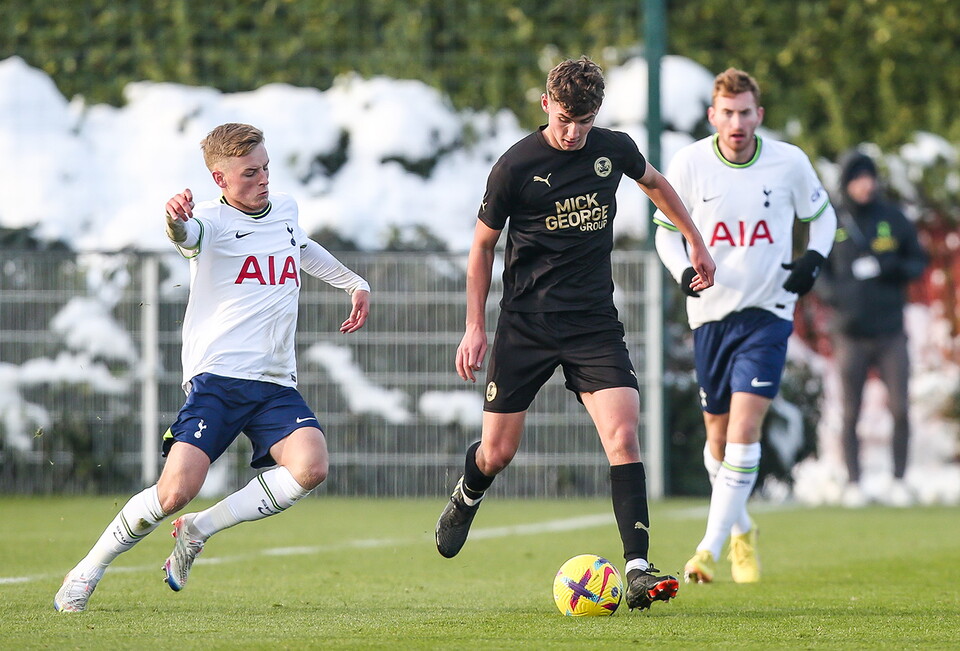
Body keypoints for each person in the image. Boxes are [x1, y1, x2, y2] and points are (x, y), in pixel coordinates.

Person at [433, 56, 716, 611]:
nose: (572, 133)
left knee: (624, 436)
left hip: (592, 323)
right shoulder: (515, 166)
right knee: (497, 452)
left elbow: (655, 185)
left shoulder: (613, 149)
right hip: (526, 325)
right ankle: (467, 495)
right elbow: (482, 248)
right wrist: (474, 327)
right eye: (564, 119)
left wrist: (695, 241)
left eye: (583, 122)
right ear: (546, 105)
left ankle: (637, 568)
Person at [54, 123, 371, 612]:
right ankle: (85, 571)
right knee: (175, 491)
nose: (263, 178)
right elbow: (185, 236)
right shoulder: (209, 221)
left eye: (266, 167)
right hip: (219, 380)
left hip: (274, 383)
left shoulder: (284, 210)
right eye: (250, 172)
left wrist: (353, 283)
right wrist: (173, 219)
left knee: (311, 467)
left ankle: (200, 530)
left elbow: (300, 246)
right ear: (220, 179)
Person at [654, 68, 837, 584]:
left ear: (760, 115)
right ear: (713, 116)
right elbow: (666, 234)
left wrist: (814, 259)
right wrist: (684, 270)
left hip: (770, 312)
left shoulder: (788, 163)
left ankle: (707, 549)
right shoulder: (688, 164)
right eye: (727, 113)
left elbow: (823, 217)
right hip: (711, 314)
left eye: (746, 112)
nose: (737, 122)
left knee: (744, 428)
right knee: (717, 441)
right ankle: (741, 528)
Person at [819, 150, 928, 508]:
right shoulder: (833, 221)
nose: (866, 185)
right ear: (847, 183)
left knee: (899, 407)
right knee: (851, 409)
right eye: (858, 179)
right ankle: (854, 481)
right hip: (849, 331)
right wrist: (837, 297)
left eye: (870, 178)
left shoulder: (893, 218)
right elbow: (816, 270)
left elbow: (917, 261)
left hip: (890, 330)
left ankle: (899, 479)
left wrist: (891, 266)